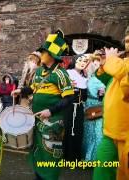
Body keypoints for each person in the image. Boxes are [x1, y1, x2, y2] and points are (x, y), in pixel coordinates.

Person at [28, 30, 74, 180]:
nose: (40, 55)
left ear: (52, 56)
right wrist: (21, 90)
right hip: (36, 120)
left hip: (52, 123)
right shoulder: (39, 71)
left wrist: (51, 110)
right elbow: (34, 89)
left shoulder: (61, 74)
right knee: (37, 152)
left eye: (43, 52)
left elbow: (69, 98)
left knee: (50, 155)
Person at [93, 27, 129, 180]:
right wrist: (102, 65)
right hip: (110, 132)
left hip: (126, 135)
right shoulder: (123, 62)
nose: (128, 44)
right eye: (127, 41)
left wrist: (112, 60)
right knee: (101, 172)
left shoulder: (119, 63)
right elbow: (111, 81)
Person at [64, 54, 90, 161]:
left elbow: (84, 97)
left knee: (78, 130)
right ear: (74, 61)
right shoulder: (68, 74)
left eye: (85, 61)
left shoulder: (85, 78)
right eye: (80, 60)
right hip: (69, 107)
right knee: (68, 130)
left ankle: (76, 157)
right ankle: (67, 156)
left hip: (79, 109)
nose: (82, 63)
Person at [82, 55, 105, 161]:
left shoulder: (93, 79)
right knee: (92, 133)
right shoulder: (91, 79)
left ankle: (91, 157)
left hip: (94, 107)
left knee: (94, 133)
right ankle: (92, 157)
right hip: (94, 107)